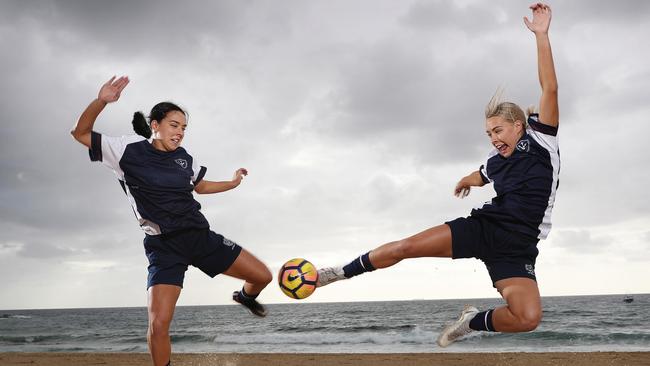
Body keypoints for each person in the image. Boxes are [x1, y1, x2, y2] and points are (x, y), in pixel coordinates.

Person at [315, 2, 559, 347]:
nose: (494, 138)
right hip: (484, 227)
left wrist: (541, 35)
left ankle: (471, 322)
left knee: (527, 318)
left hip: (518, 246)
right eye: (488, 133)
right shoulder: (494, 159)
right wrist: (465, 181)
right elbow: (480, 175)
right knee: (405, 247)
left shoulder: (542, 139)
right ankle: (338, 273)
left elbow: (550, 89)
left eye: (499, 130)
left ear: (518, 125)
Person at [70, 77, 272, 366]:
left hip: (200, 237)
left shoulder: (183, 158)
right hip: (163, 247)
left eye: (184, 128)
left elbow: (199, 186)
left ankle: (244, 297)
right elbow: (80, 132)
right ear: (155, 124)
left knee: (262, 276)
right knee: (159, 324)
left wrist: (232, 183)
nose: (179, 133)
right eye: (174, 125)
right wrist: (101, 101)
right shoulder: (127, 150)